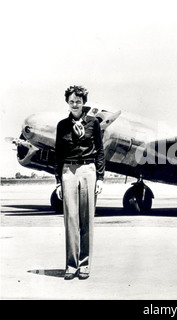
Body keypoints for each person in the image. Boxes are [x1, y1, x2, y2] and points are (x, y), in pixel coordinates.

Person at [55, 85, 105, 280]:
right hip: (68, 170)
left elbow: (100, 151)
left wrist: (100, 178)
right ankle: (71, 265)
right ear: (67, 103)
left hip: (88, 170)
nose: (75, 104)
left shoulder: (94, 123)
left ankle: (84, 266)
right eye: (71, 101)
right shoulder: (62, 126)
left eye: (78, 101)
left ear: (84, 102)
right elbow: (58, 154)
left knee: (87, 220)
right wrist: (58, 181)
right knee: (71, 220)